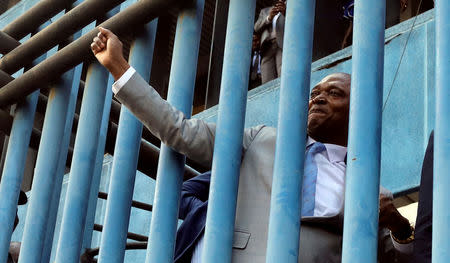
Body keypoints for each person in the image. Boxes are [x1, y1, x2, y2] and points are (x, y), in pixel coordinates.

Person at [90, 27, 413, 262]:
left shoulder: (368, 186)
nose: (318, 97)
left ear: (358, 111)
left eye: (334, 93)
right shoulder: (262, 138)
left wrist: (398, 226)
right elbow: (182, 132)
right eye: (315, 92)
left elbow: (393, 257)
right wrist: (119, 67)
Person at [254, 0, 286, 84]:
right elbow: (256, 27)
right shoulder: (265, 11)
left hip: (281, 44)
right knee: (267, 76)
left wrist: (285, 12)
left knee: (282, 73)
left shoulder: (289, 7)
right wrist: (269, 18)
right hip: (267, 46)